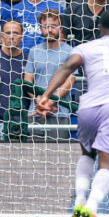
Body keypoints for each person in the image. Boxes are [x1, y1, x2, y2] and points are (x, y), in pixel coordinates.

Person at [35, 8, 109, 217]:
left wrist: (46, 96)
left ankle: (79, 202)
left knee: (87, 153)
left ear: (99, 28)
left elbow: (67, 67)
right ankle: (91, 207)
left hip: (88, 108)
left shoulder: (85, 47)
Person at [23, 9, 74, 140]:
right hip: (36, 112)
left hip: (59, 113)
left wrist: (51, 101)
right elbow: (28, 80)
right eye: (45, 27)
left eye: (53, 26)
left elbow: (70, 81)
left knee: (59, 157)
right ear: (40, 28)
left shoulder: (70, 51)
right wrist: (39, 101)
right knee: (32, 157)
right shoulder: (34, 51)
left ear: (60, 28)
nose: (49, 30)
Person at [0, 20, 25, 123]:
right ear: (2, 36)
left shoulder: (29, 60)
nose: (11, 37)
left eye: (16, 33)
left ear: (22, 37)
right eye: (8, 33)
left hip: (23, 120)